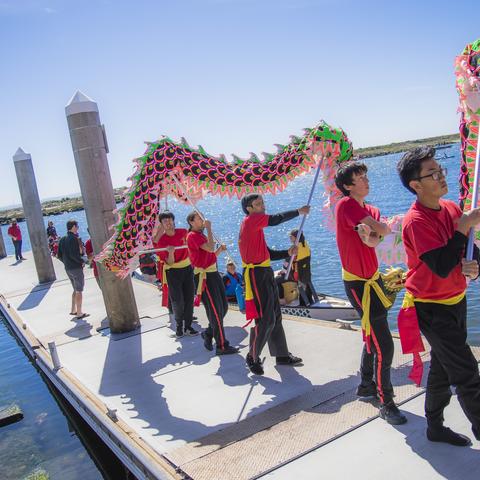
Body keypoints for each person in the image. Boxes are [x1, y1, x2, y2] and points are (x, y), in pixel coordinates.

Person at [397, 146, 480, 446]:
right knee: (468, 373)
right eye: (433, 173)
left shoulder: (452, 209)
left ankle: (435, 427)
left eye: (441, 171)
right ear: (415, 185)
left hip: (456, 300)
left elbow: (470, 254)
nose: (441, 177)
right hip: (431, 309)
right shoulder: (415, 221)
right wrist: (464, 226)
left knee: (444, 368)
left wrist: (474, 268)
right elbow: (442, 266)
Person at [334, 161, 407, 425]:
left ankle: (366, 385)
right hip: (357, 284)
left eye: (366, 176)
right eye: (360, 177)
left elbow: (374, 238)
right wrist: (376, 232)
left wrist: (373, 235)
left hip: (373, 279)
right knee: (384, 345)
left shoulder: (369, 209)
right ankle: (386, 402)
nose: (366, 180)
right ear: (347, 186)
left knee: (373, 333)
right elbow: (382, 230)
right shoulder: (346, 205)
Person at [238, 193, 308, 375]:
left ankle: (282, 355)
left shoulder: (255, 227)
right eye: (258, 204)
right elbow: (276, 219)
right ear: (249, 209)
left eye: (262, 202)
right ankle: (252, 356)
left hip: (264, 271)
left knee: (275, 315)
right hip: (256, 275)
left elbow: (266, 253)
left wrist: (287, 252)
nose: (263, 206)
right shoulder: (251, 221)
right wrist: (298, 212)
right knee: (265, 318)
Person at [187, 212, 238, 355]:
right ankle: (222, 345)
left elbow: (210, 255)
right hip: (205, 277)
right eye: (199, 218)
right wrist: (209, 228)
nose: (202, 220)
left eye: (203, 217)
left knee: (223, 307)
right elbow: (209, 247)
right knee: (215, 310)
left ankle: (209, 333)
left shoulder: (201, 236)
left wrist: (219, 250)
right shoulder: (192, 236)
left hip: (213, 273)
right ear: (191, 222)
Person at [153, 211, 198, 338]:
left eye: (170, 220)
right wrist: (171, 253)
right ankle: (179, 328)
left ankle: (188, 326)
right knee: (177, 301)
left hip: (188, 269)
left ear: (173, 220)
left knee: (189, 298)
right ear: (161, 225)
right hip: (173, 272)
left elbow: (193, 243)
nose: (168, 223)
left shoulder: (183, 232)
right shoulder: (161, 242)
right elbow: (170, 262)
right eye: (165, 221)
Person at [57, 220, 89, 319]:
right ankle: (79, 313)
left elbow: (59, 255)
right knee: (79, 290)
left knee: (75, 289)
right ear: (74, 227)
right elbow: (74, 255)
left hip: (68, 268)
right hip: (76, 268)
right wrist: (81, 262)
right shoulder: (74, 238)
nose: (78, 228)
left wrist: (66, 262)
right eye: (77, 226)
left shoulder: (62, 239)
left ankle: (73, 310)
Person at [289, 229, 318, 306]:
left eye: (291, 237)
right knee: (307, 285)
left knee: (301, 287)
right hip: (306, 271)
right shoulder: (305, 244)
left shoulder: (295, 248)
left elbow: (292, 260)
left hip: (298, 272)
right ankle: (311, 300)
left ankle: (303, 305)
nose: (290, 238)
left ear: (296, 237)